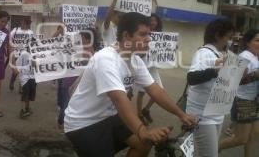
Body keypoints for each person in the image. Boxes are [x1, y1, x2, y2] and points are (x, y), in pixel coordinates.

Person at [64, 12, 195, 157]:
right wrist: (143, 132)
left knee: (144, 145)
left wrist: (181, 114)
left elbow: (155, 90)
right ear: (126, 36)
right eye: (143, 34)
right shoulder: (106, 59)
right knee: (144, 138)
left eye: (149, 34)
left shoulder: (135, 60)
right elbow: (120, 100)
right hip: (84, 122)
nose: (148, 39)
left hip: (108, 116)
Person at [186, 18, 234, 157]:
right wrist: (216, 70)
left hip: (216, 113)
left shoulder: (221, 54)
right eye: (228, 37)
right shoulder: (203, 53)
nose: (229, 41)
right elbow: (192, 78)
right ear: (218, 35)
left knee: (203, 153)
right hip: (202, 115)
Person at [219, 29, 259, 157]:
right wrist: (256, 75)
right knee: (241, 139)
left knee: (253, 137)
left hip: (253, 100)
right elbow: (233, 80)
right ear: (248, 42)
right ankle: (211, 149)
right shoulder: (244, 56)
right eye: (257, 40)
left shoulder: (255, 56)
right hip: (242, 100)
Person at [57, 28, 99, 128]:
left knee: (73, 106)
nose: (78, 38)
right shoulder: (75, 47)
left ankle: (67, 125)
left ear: (87, 38)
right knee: (65, 105)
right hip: (69, 81)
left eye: (81, 37)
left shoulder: (92, 52)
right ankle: (62, 122)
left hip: (79, 83)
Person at [136, 13, 163, 125]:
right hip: (144, 65)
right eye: (151, 20)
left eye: (155, 20)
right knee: (142, 92)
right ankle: (138, 114)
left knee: (160, 90)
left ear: (158, 23)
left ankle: (146, 109)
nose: (153, 22)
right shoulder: (144, 34)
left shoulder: (161, 36)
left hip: (153, 66)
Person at [9, 18, 34, 91]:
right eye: (21, 22)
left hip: (25, 55)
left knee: (23, 71)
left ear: (27, 24)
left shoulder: (30, 32)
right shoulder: (15, 30)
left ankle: (21, 87)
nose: (21, 24)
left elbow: (33, 43)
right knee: (15, 72)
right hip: (16, 54)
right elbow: (10, 39)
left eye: (23, 23)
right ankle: (12, 81)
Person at [16, 48, 37, 119]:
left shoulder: (37, 55)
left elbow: (37, 66)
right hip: (25, 78)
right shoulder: (23, 54)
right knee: (25, 93)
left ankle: (27, 108)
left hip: (33, 77)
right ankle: (22, 110)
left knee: (31, 93)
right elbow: (18, 64)